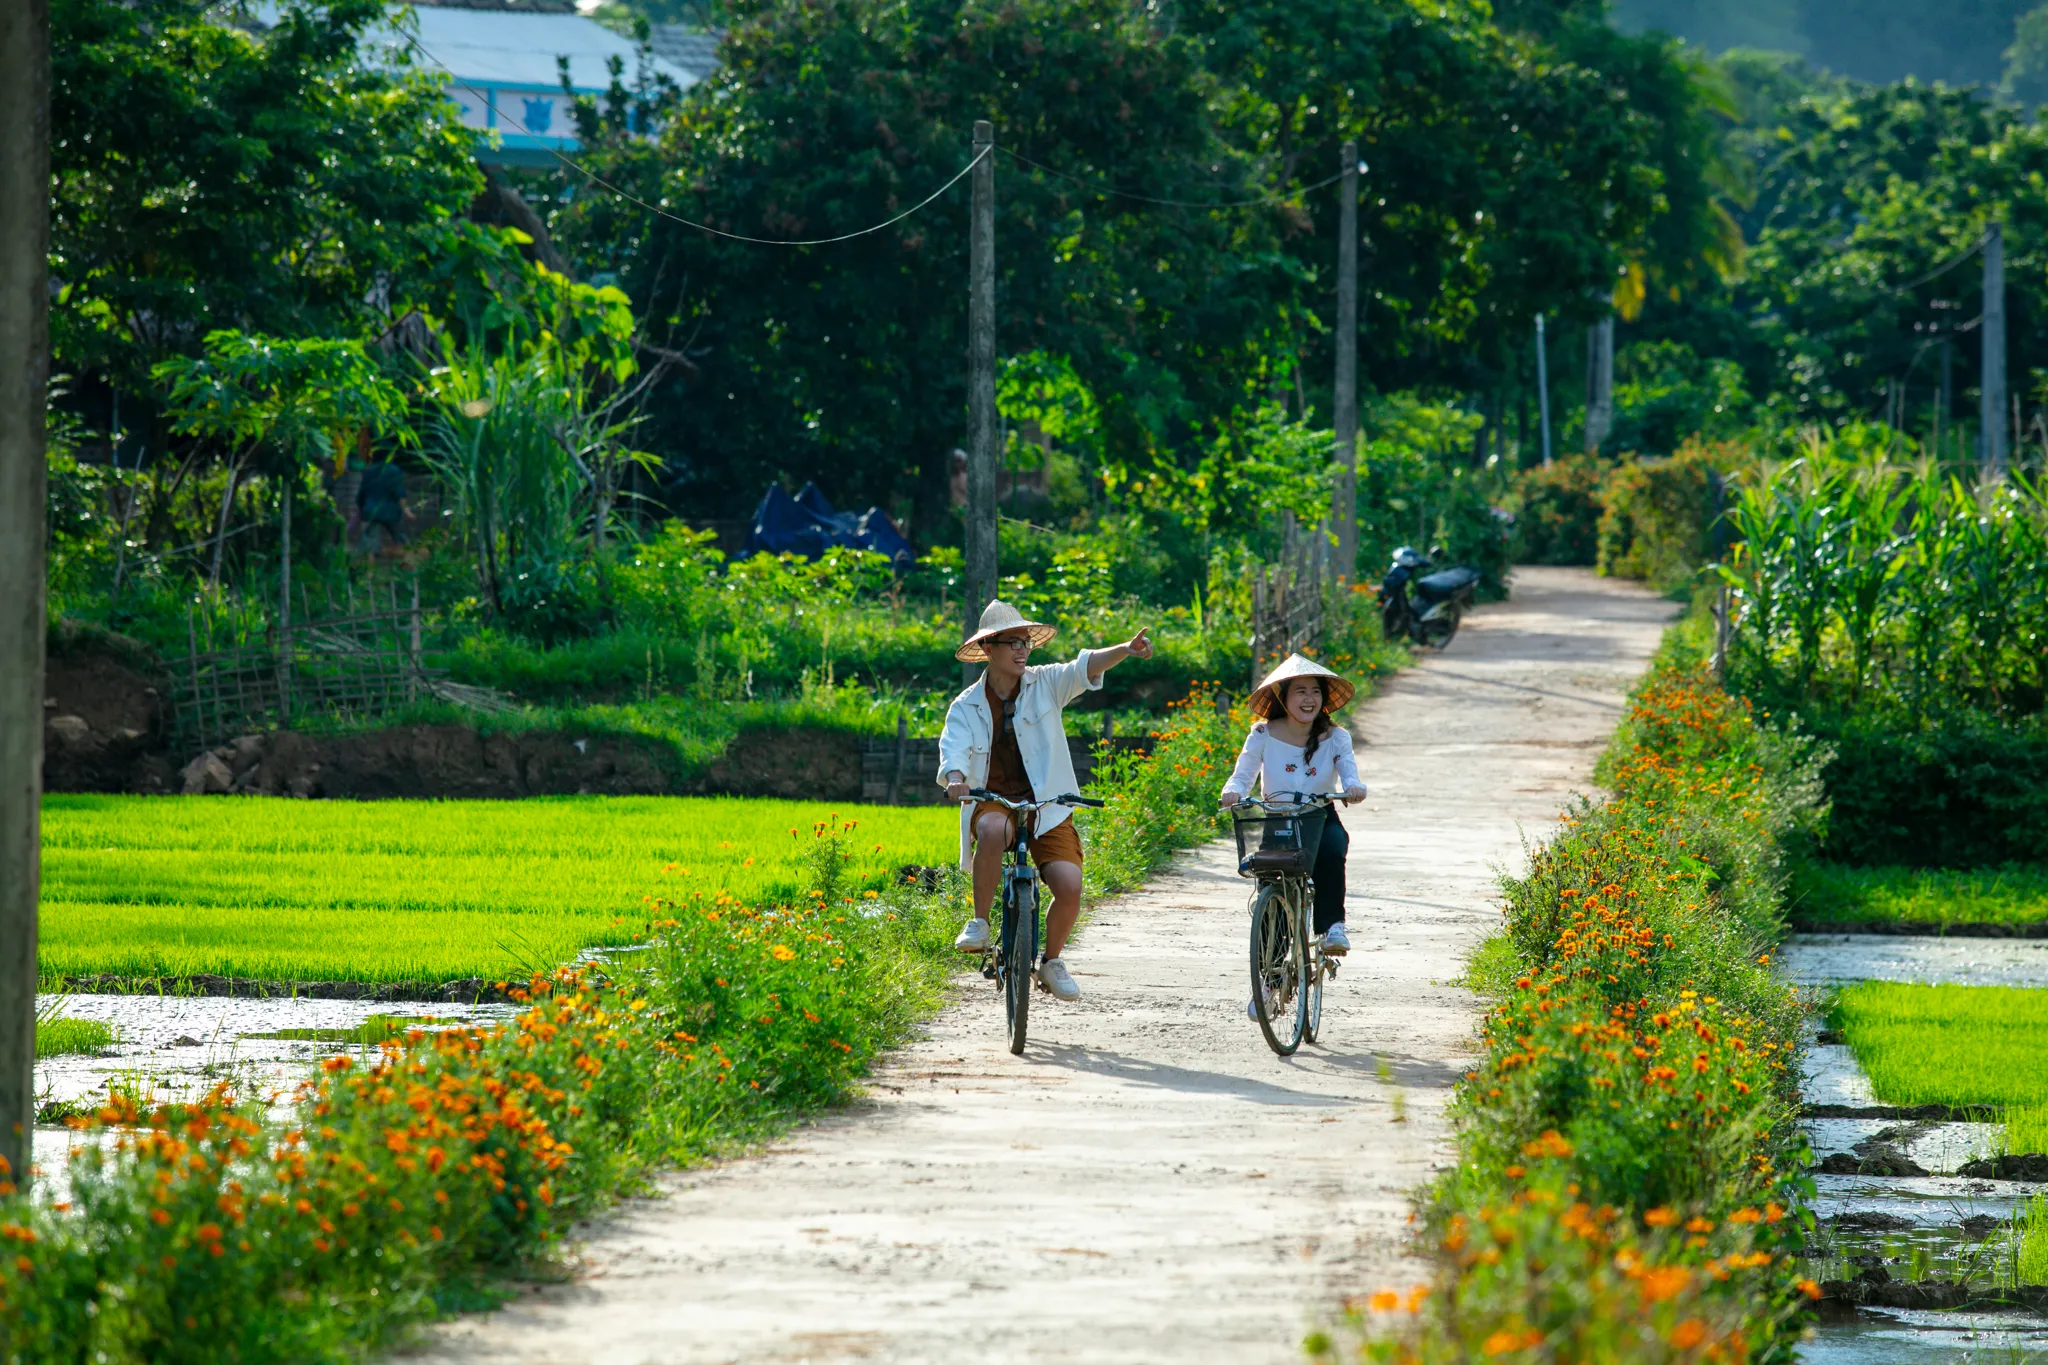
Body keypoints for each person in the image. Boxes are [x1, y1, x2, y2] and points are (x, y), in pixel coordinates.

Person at [938, 599, 1152, 1003]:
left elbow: (1084, 667)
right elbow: (954, 749)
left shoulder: (1047, 683)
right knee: (989, 828)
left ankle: (1051, 961)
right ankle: (981, 922)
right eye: (1011, 643)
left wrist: (1125, 649)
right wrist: (954, 779)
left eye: (1026, 643)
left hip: (1048, 805)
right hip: (996, 800)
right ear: (988, 649)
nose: (1021, 650)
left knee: (1069, 886)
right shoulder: (965, 705)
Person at [1219, 654, 1368, 979]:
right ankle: (1269, 982)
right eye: (1300, 691)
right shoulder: (1263, 734)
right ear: (1283, 698)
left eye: (1315, 691)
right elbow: (1243, 774)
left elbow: (1348, 771)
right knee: (1275, 895)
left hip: (1318, 815)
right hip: (1276, 818)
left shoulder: (1336, 737)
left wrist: (1354, 787)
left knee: (1332, 847)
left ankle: (1332, 928)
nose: (1309, 699)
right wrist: (1232, 790)